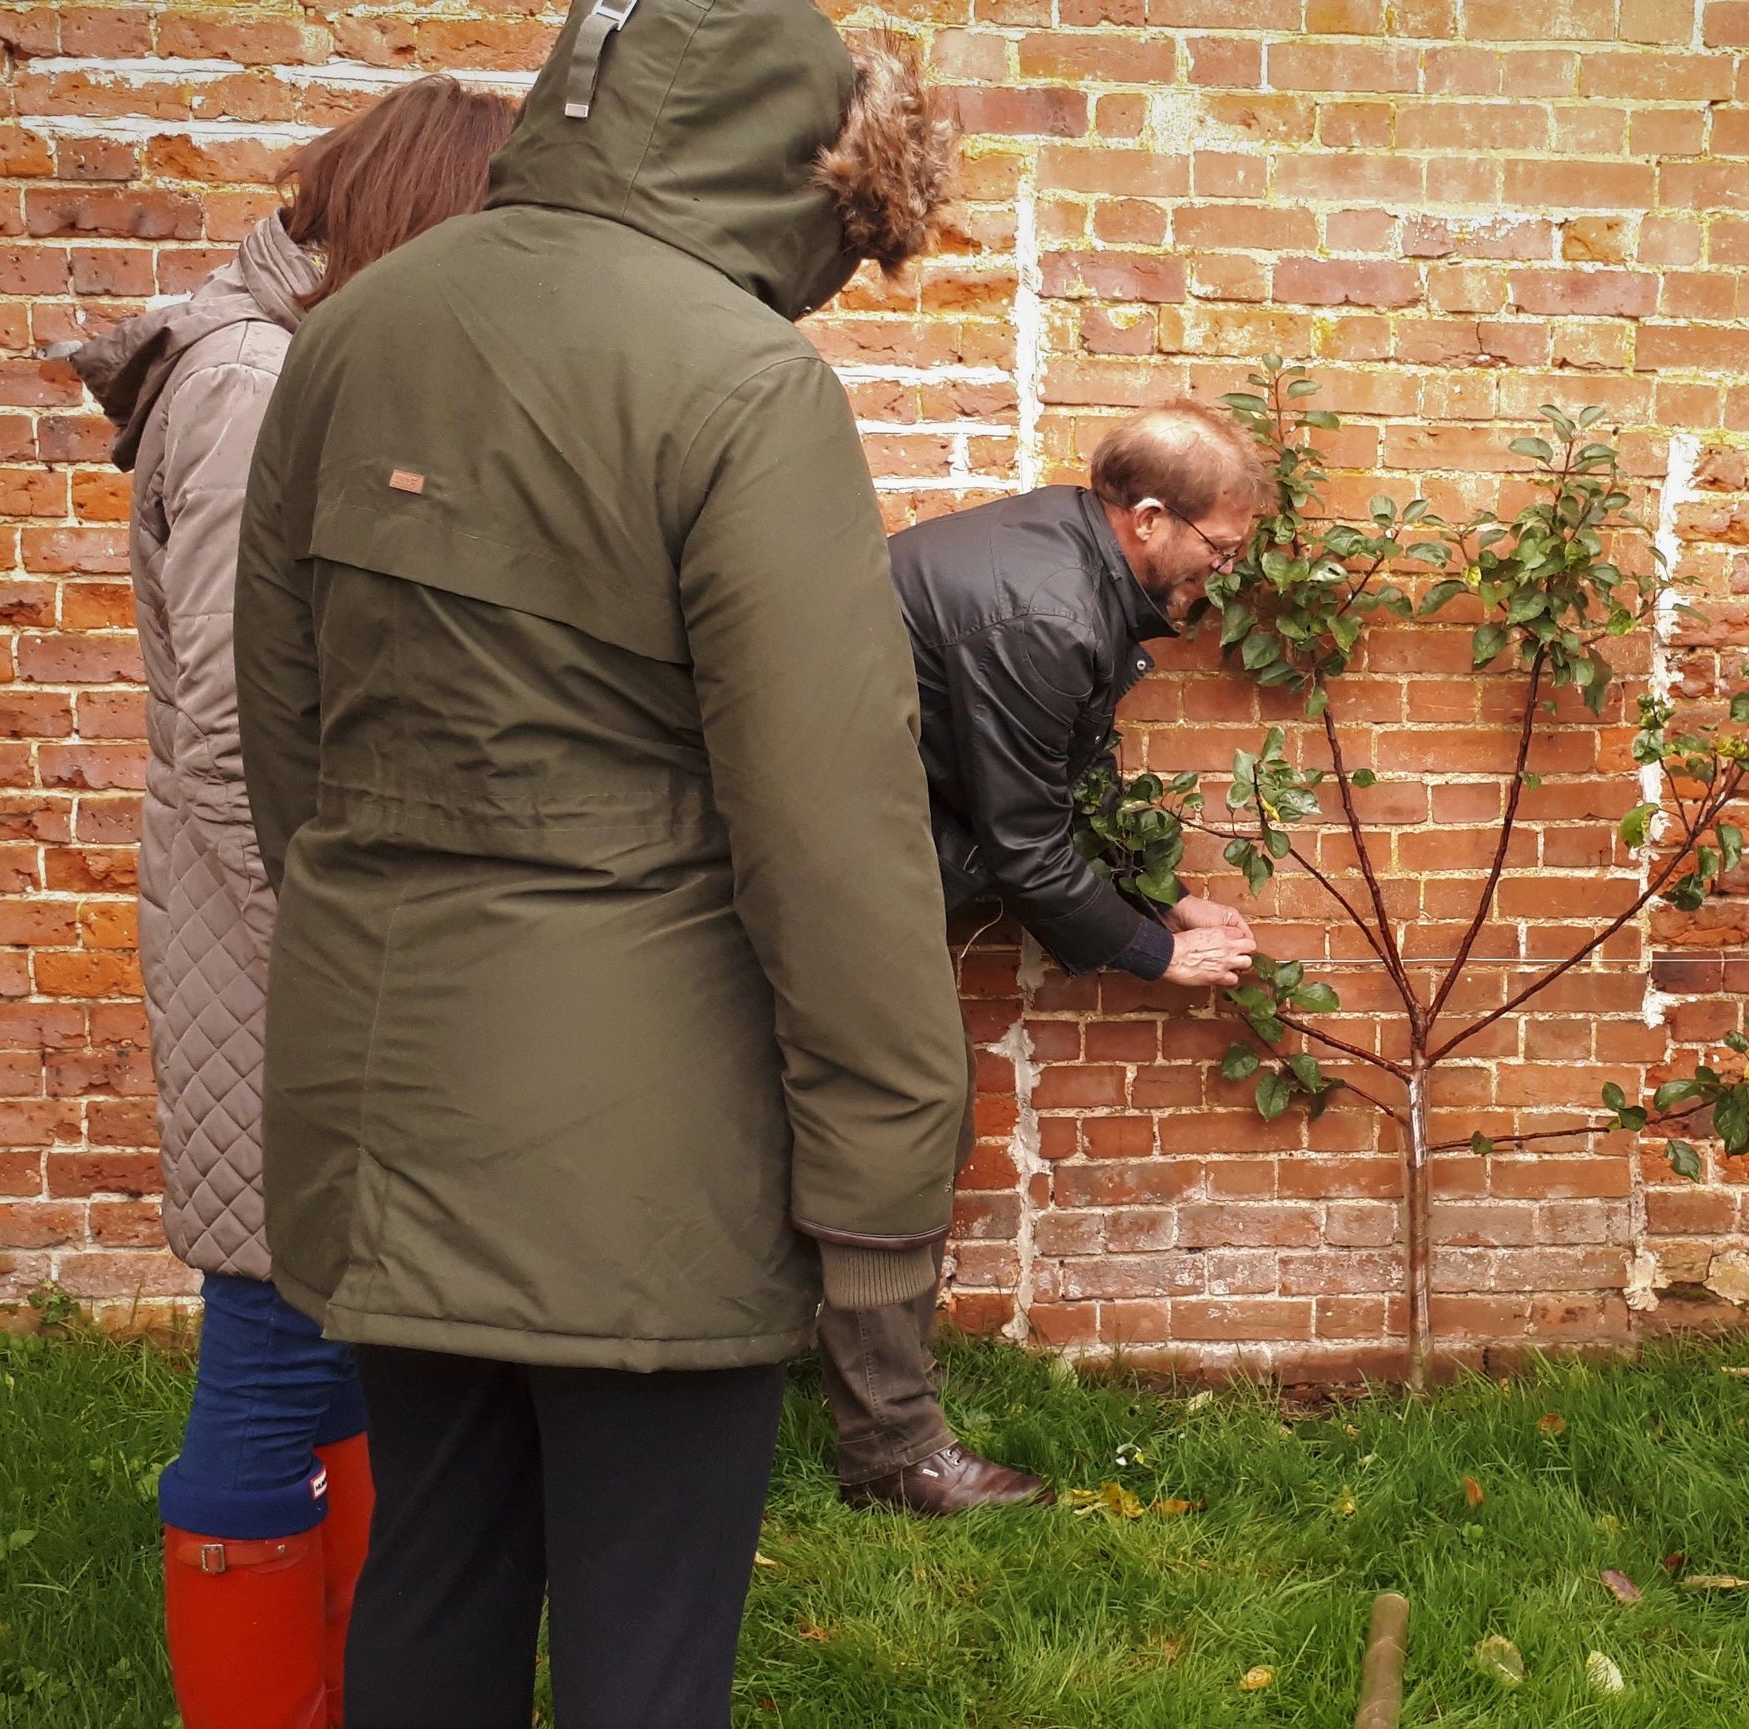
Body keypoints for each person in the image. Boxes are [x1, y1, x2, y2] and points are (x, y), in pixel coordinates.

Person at [231, 9, 965, 1726]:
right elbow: (837, 841)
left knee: (433, 1570)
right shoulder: (739, 376)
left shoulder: (361, 322)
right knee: (645, 1641)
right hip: (646, 1144)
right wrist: (880, 1214)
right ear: (794, 158)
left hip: (378, 1086)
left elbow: (287, 738)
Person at [68, 74, 516, 1729]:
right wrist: (356, 985)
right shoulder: (259, 384)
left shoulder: (293, 360)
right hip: (280, 959)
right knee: (271, 1344)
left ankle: (340, 1679)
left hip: (301, 945)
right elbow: (240, 730)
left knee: (334, 1328)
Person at [817, 406, 1268, 1516]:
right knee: (902, 1120)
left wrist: (1155, 887)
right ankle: (889, 1450)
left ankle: (787, 1381)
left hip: (847, 855)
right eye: (1217, 548)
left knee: (844, 1120)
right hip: (831, 875)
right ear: (1149, 518)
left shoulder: (1060, 562)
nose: (1220, 575)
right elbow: (1025, 841)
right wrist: (1153, 952)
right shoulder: (1044, 611)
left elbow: (1062, 772)